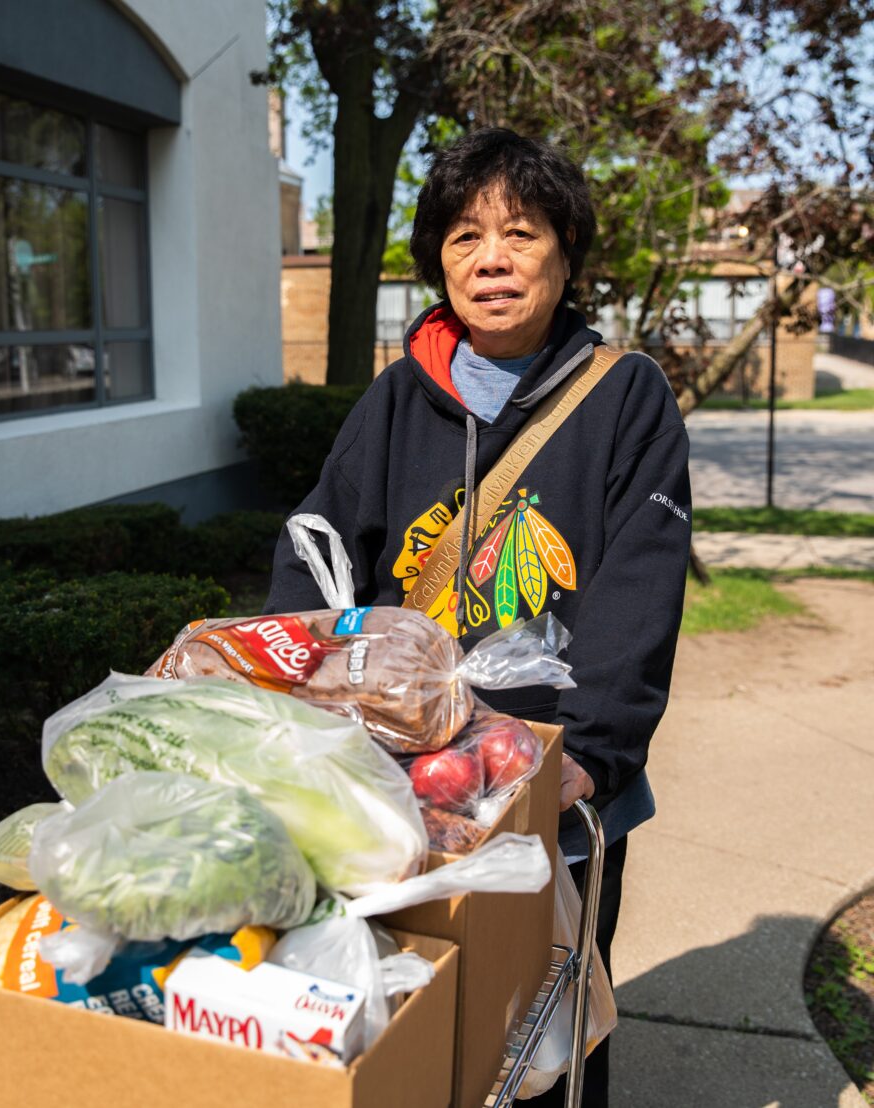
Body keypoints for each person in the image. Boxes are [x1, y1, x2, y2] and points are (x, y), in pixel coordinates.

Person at [265, 127, 691, 1106]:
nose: (490, 257)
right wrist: (288, 689)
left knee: (549, 1024)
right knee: (409, 1011)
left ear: (564, 250)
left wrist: (587, 750)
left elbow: (641, 578)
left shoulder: (623, 396)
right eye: (463, 236)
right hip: (401, 773)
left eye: (519, 231)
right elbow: (315, 543)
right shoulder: (395, 398)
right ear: (435, 262)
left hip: (547, 774)